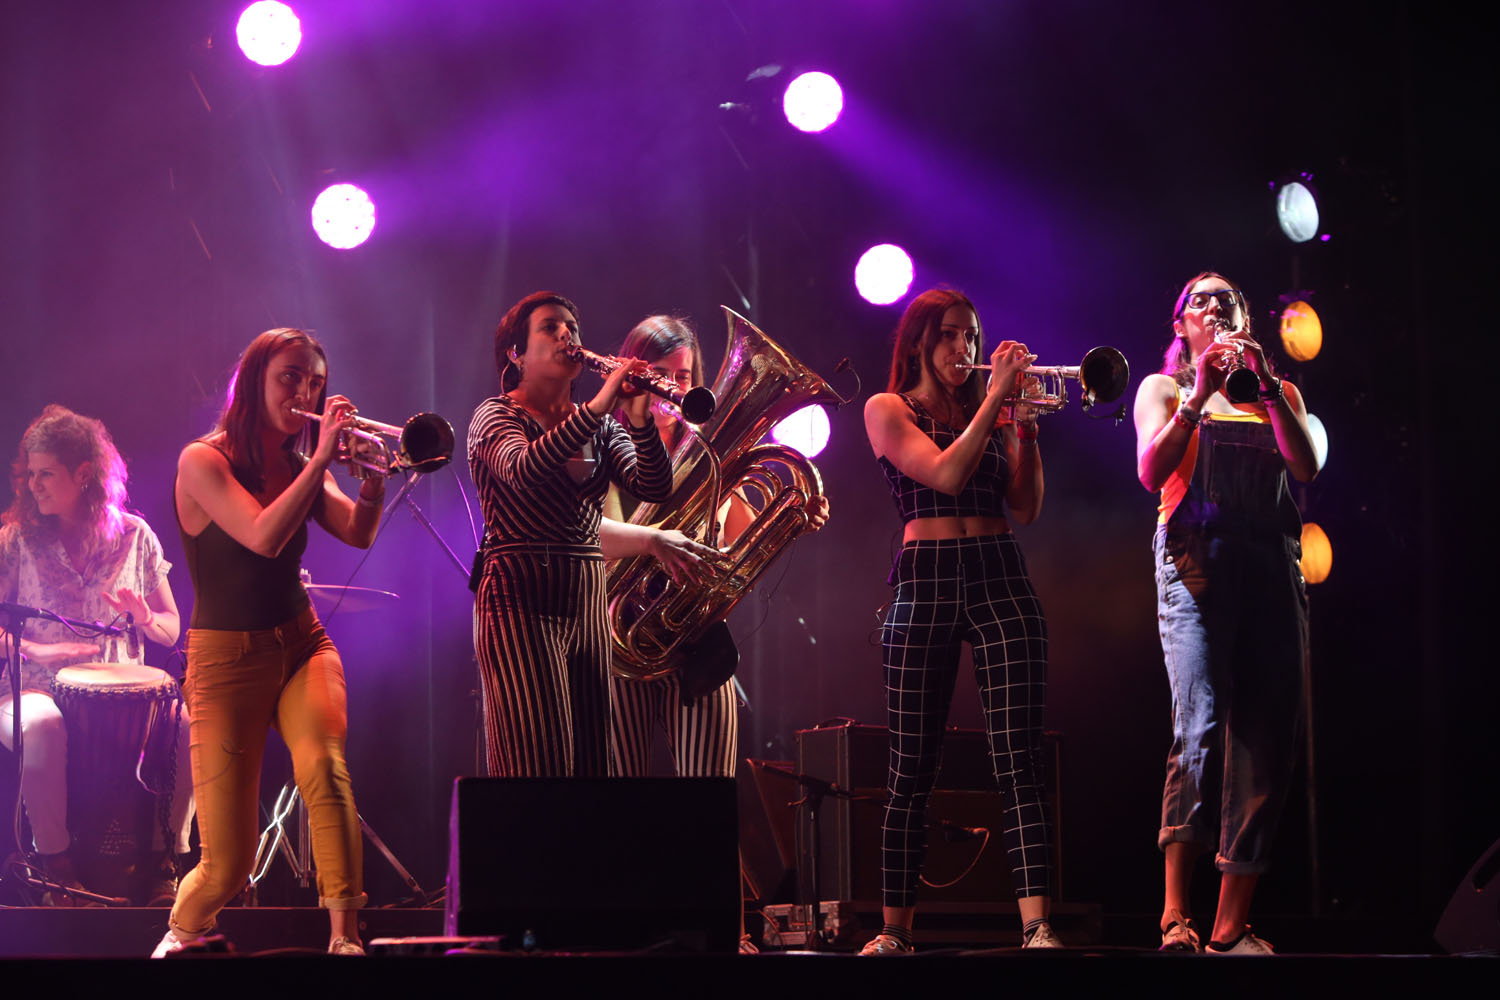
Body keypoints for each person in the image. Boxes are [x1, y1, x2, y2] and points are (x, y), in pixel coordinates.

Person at [158, 327, 382, 956]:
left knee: (326, 771)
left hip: (303, 644)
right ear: (253, 379)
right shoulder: (202, 460)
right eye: (291, 377)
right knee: (228, 866)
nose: (304, 393)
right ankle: (179, 936)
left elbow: (358, 532)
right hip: (226, 662)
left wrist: (371, 481)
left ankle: (345, 941)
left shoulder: (298, 462)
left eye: (315, 382)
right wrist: (322, 460)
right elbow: (261, 536)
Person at [860, 287, 1059, 953]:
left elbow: (1026, 507)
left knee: (1019, 759)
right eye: (949, 334)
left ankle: (1037, 926)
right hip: (926, 579)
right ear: (920, 341)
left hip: (999, 572)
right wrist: (996, 400)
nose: (963, 348)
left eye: (971, 335)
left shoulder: (987, 411)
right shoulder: (888, 409)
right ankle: (895, 932)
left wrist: (1023, 428)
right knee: (911, 767)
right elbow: (944, 474)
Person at [1133, 272, 1318, 955]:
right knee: (1199, 728)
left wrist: (1265, 386)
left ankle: (1229, 927)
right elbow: (1151, 473)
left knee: (1267, 740)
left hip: (1270, 564)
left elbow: (1306, 466)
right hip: (1195, 560)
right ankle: (1174, 917)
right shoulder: (1165, 389)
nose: (1215, 306)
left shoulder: (1280, 393)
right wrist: (1199, 395)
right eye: (1200, 300)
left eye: (1228, 299)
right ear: (1181, 324)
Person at [469, 291, 673, 778]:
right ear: (516, 354)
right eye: (551, 327)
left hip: (587, 600)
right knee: (539, 768)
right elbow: (522, 470)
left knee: (592, 769)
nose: (568, 334)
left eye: (573, 327)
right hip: (519, 598)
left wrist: (640, 419)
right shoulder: (496, 415)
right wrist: (599, 407)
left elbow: (654, 486)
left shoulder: (600, 427)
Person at [1, 405, 192, 905]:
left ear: (83, 473)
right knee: (43, 725)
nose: (33, 485)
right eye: (30, 474)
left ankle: (165, 862)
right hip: (31, 687)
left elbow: (171, 628)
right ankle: (56, 867)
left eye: (46, 474)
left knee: (188, 726)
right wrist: (42, 649)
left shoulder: (134, 536)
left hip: (125, 698)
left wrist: (144, 618)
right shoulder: (16, 539)